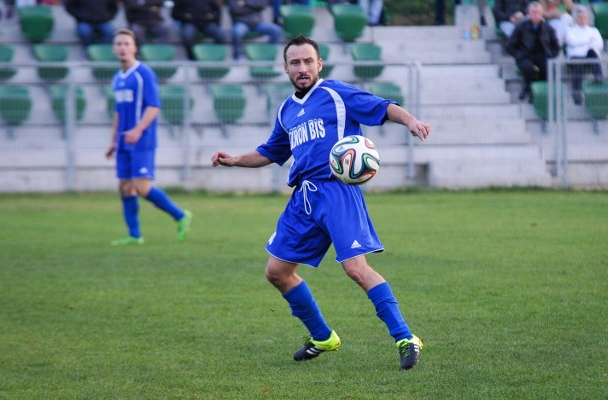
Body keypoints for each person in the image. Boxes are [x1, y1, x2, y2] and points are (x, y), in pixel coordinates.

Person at [210, 35, 430, 370]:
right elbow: (271, 152)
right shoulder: (286, 110)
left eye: (308, 61)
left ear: (319, 64)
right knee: (277, 272)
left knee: (356, 268)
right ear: (285, 68)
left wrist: (410, 121)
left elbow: (382, 106)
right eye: (295, 63)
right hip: (303, 198)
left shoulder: (336, 93)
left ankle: (404, 337)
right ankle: (323, 336)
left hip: (338, 192)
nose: (302, 68)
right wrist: (235, 159)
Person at [105, 28, 193, 246]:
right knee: (124, 187)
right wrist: (113, 140)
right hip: (124, 142)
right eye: (119, 44)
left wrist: (138, 130)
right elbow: (118, 112)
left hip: (142, 140)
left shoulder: (144, 73)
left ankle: (180, 215)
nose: (122, 47)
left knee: (141, 187)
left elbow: (154, 106)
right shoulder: (118, 78)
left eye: (126, 43)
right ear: (113, 49)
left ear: (134, 48)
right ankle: (135, 235)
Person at [506, 1, 560, 102]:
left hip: (543, 55)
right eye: (533, 12)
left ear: (542, 13)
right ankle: (529, 89)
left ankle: (538, 94)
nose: (536, 15)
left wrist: (551, 56)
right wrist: (518, 55)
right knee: (528, 69)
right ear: (529, 13)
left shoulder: (548, 28)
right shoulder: (521, 27)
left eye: (538, 12)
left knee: (548, 68)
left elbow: (556, 46)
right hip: (525, 56)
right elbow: (510, 46)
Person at [563, 5, 603, 105]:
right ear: (576, 19)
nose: (582, 20)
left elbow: (599, 44)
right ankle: (576, 92)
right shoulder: (570, 30)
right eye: (580, 17)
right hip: (575, 58)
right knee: (578, 62)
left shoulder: (593, 30)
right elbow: (572, 41)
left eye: (584, 17)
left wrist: (582, 43)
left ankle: (599, 76)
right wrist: (588, 40)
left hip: (588, 56)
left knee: (592, 52)